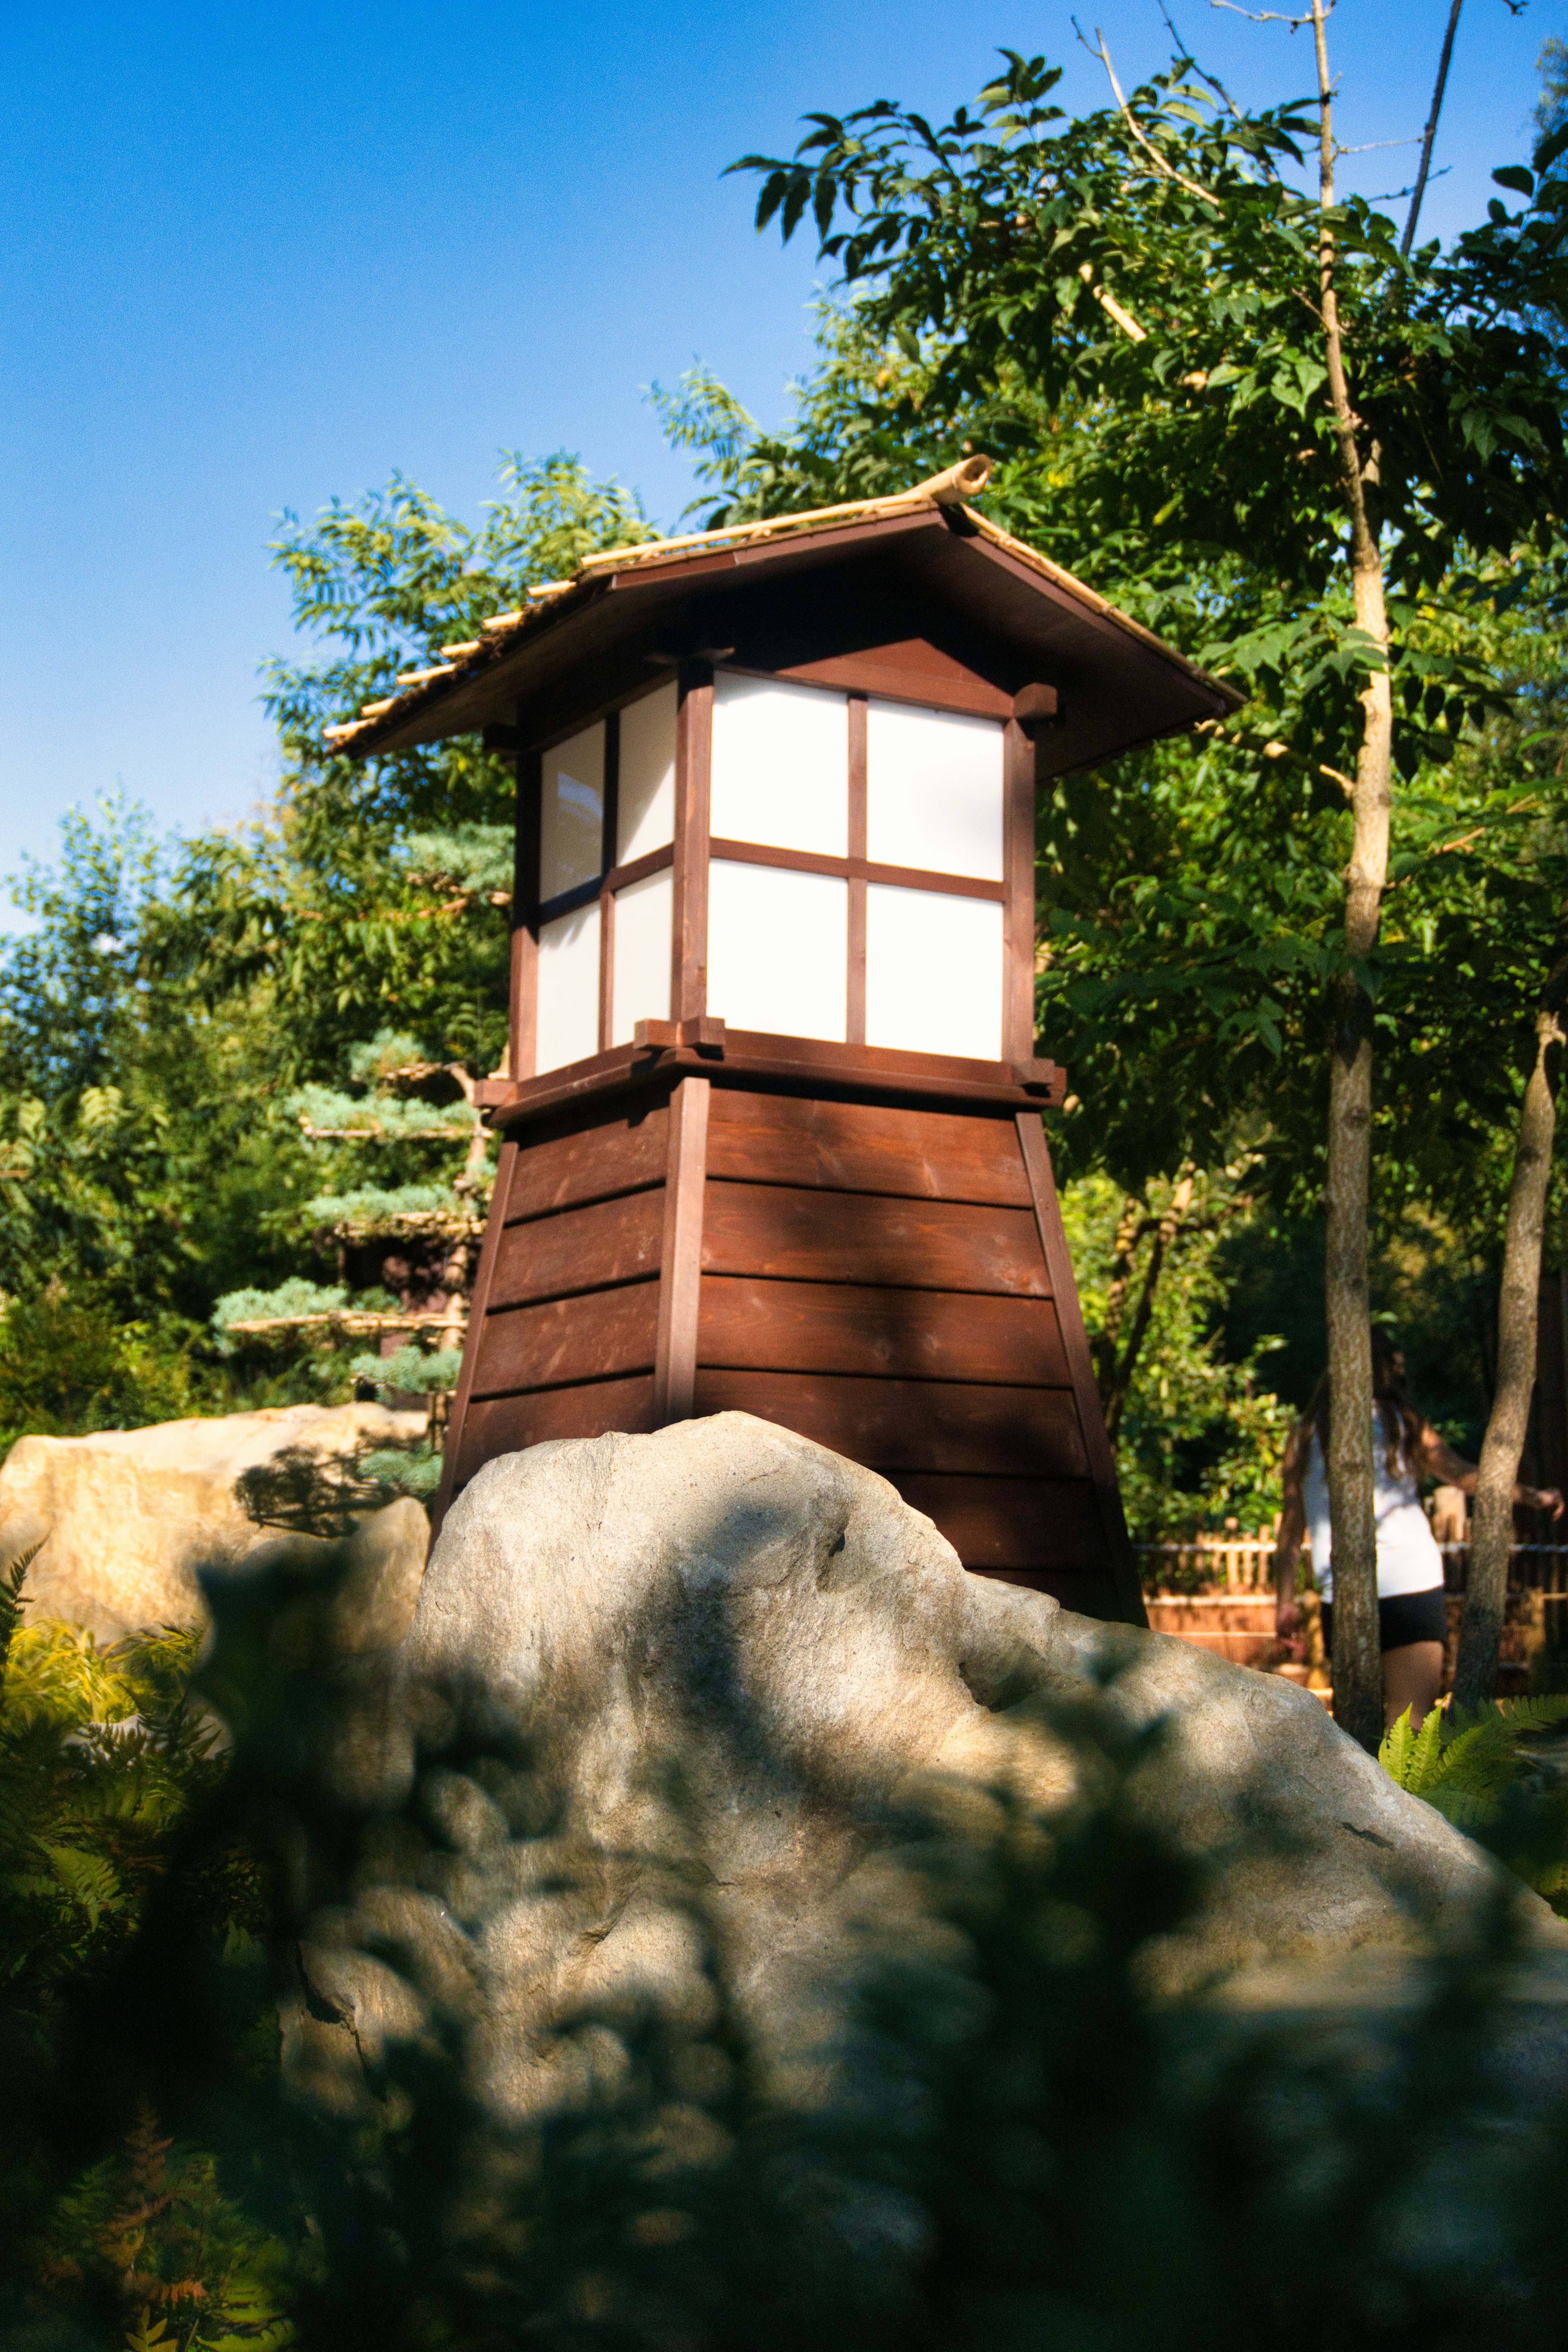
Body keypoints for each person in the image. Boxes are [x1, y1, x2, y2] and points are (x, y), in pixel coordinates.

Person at [1273, 1332, 1564, 1729]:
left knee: (1355, 1730)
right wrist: (1534, 1497)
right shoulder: (1403, 1423)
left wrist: (1284, 1603)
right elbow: (1466, 1477)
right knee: (1410, 1729)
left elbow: (1290, 1534)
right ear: (1389, 1371)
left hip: (1342, 1591)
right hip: (1411, 1583)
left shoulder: (1303, 1435)